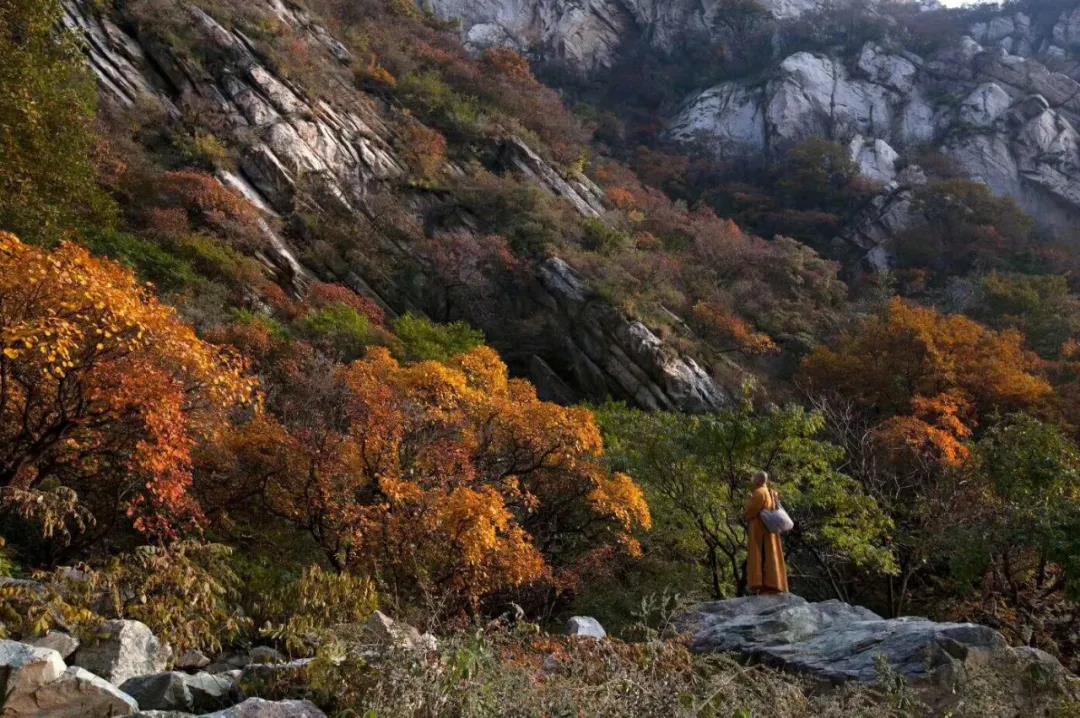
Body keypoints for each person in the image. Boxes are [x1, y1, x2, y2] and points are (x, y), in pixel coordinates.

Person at [744, 470, 789, 594]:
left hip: (759, 529)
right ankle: (773, 583)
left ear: (759, 480)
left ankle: (761, 583)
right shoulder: (769, 493)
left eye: (754, 479)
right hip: (769, 530)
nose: (752, 481)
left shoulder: (759, 492)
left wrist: (747, 506)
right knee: (770, 555)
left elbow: (750, 511)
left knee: (760, 555)